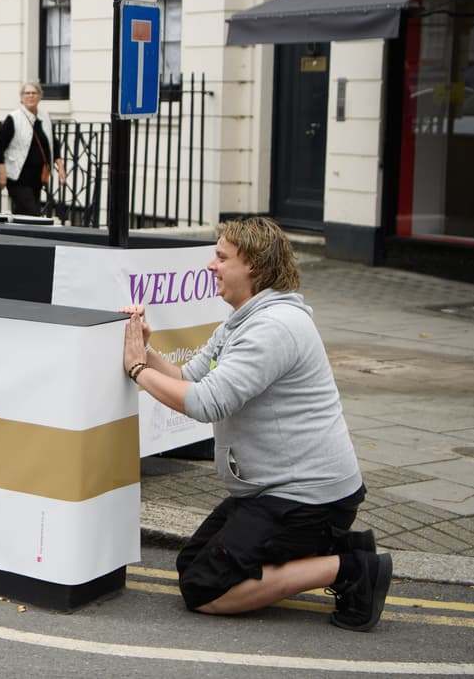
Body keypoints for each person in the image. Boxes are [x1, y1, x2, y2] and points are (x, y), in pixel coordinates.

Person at [121, 216, 391, 631]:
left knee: (205, 590)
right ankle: (336, 549)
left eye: (221, 257)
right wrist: (146, 345)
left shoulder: (273, 328)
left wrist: (138, 369)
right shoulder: (241, 320)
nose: (211, 265)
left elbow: (206, 403)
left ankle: (351, 565)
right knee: (193, 563)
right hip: (272, 490)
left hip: (308, 499)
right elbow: (190, 379)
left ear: (254, 266)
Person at [0, 81, 65, 216]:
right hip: (17, 177)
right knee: (33, 213)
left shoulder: (45, 117)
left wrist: (60, 167)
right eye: (27, 93)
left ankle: (14, 235)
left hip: (37, 177)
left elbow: (53, 144)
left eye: (34, 93)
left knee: (23, 215)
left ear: (39, 97)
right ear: (21, 97)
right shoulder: (14, 118)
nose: (30, 96)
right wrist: (2, 174)